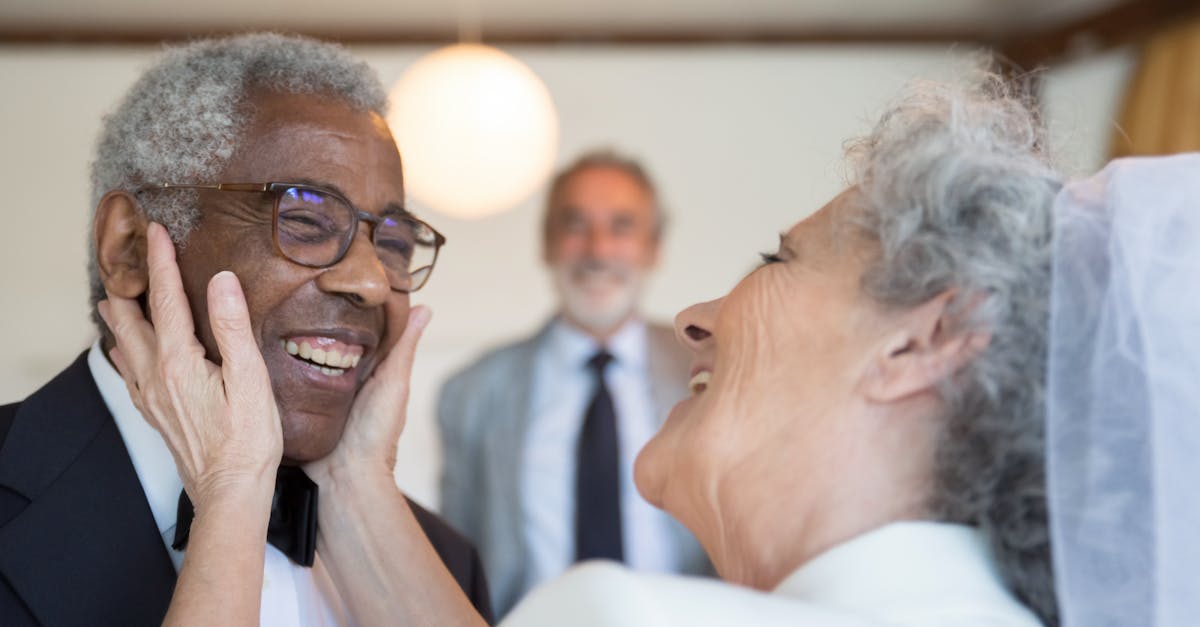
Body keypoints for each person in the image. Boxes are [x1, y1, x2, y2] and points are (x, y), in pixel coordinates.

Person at [96, 71, 1067, 627]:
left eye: (779, 258)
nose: (697, 314)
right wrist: (350, 477)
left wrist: (234, 484)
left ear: (925, 340)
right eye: (307, 222)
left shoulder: (620, 615)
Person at [0, 34, 492, 626]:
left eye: (392, 241)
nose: (371, 283)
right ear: (128, 249)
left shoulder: (445, 561)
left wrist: (354, 479)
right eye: (305, 218)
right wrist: (233, 487)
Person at [437, 150, 709, 615]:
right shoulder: (473, 391)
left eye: (622, 226)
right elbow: (457, 560)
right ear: (546, 242)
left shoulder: (708, 370)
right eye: (575, 224)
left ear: (653, 246)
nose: (598, 249)